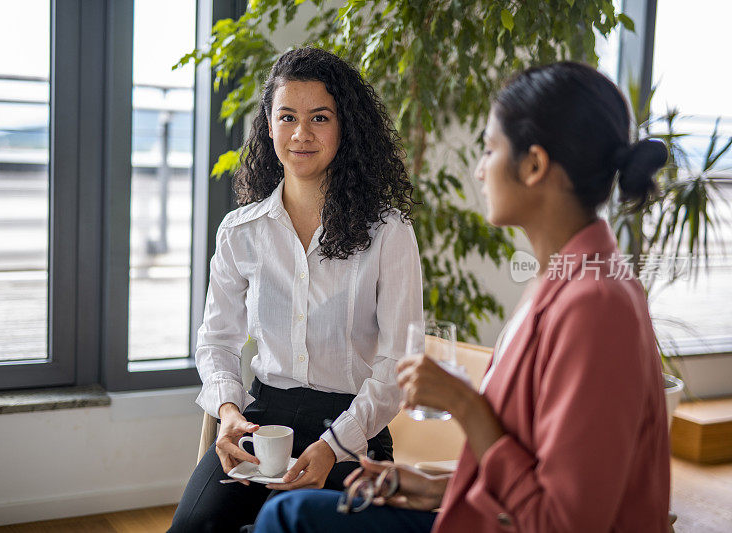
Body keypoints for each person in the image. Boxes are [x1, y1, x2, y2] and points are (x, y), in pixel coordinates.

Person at [253, 61, 671, 532]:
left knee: (286, 519)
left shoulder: (598, 306)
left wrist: (466, 404)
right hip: (486, 516)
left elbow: (563, 522)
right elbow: (539, 471)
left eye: (490, 149)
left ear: (533, 165)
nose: (477, 170)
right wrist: (434, 488)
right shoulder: (560, 281)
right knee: (285, 516)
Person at [168, 47, 423, 533]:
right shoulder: (240, 231)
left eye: (319, 118)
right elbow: (217, 341)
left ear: (344, 127)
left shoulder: (389, 233)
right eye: (287, 117)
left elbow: (397, 366)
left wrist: (333, 446)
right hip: (263, 423)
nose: (301, 134)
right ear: (268, 125)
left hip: (353, 431)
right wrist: (227, 412)